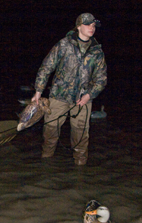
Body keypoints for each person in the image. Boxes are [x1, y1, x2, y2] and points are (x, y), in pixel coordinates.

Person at [31, 13, 107, 166]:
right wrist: (38, 91)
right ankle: (45, 164)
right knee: (50, 132)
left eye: (93, 25)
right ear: (78, 26)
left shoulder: (97, 52)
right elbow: (46, 67)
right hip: (59, 97)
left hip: (82, 101)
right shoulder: (63, 45)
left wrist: (89, 95)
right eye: (87, 24)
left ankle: (80, 170)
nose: (91, 28)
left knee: (81, 137)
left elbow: (101, 79)